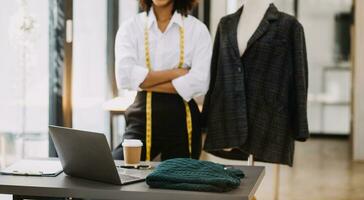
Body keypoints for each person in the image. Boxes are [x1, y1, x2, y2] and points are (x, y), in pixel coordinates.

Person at [112, 0, 212, 161]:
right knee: (119, 168)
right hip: (141, 116)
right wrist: (176, 73)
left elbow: (200, 82)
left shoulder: (197, 29)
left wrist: (146, 81)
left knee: (179, 181)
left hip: (183, 120)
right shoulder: (130, 27)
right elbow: (125, 77)